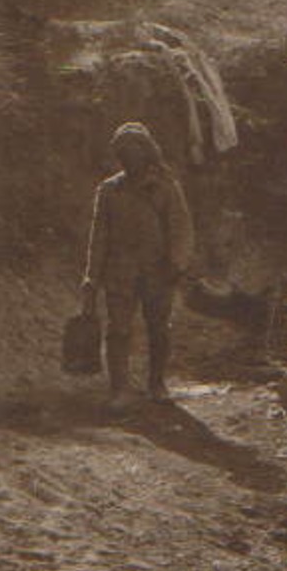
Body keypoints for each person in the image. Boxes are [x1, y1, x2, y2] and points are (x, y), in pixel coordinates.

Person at [81, 122, 195, 409]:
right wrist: (91, 278)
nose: (127, 158)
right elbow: (99, 237)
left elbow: (180, 229)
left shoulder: (165, 187)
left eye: (133, 151)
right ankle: (119, 389)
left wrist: (176, 263)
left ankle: (156, 383)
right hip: (119, 272)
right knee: (118, 330)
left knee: (158, 328)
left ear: (146, 153)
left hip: (157, 270)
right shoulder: (108, 190)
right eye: (122, 152)